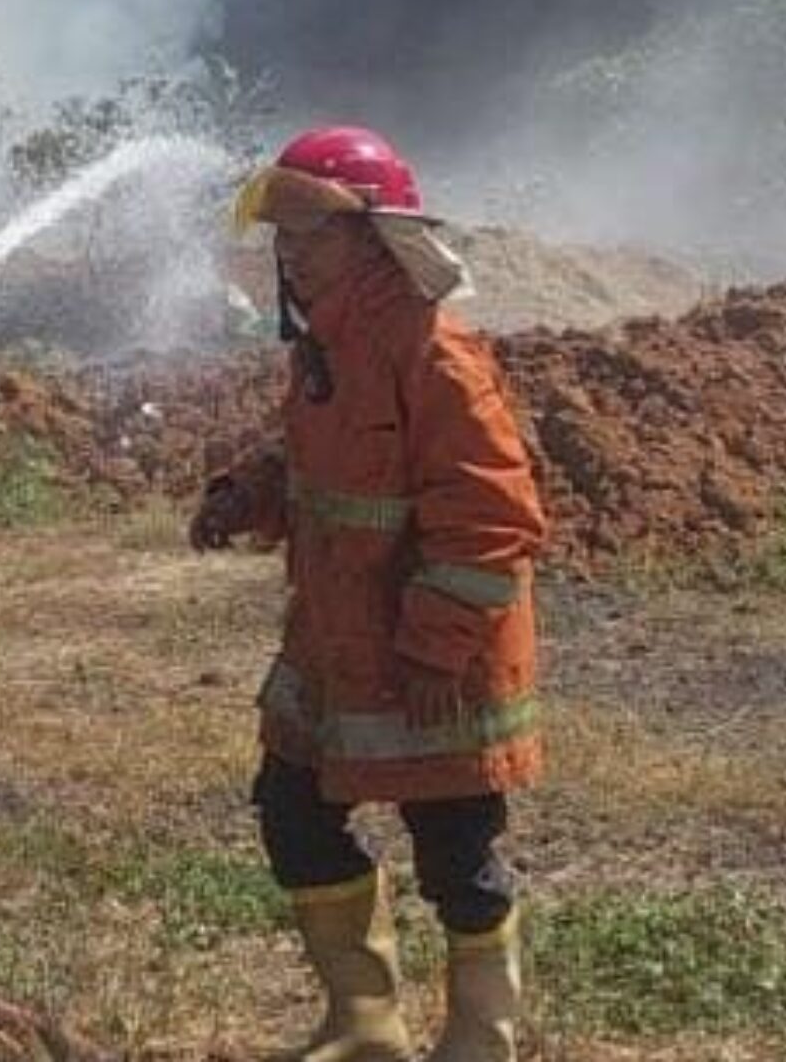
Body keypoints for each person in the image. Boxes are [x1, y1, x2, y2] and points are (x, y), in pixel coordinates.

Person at [195, 126, 547, 1062]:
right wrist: (251, 493)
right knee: (291, 807)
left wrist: (436, 647)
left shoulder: (435, 355)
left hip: (434, 661)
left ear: (375, 237)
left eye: (310, 234)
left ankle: (482, 1033)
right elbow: (325, 464)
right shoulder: (328, 347)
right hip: (338, 639)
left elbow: (491, 518)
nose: (290, 254)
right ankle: (365, 1023)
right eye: (283, 237)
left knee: (455, 853)